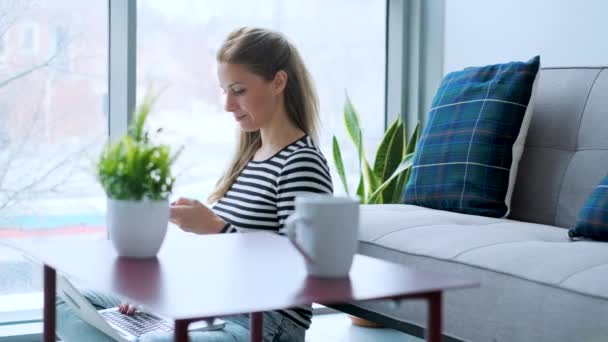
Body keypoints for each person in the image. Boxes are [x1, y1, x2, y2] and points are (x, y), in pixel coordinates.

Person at [56, 27, 333, 342]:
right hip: (214, 309)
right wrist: (161, 292)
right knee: (63, 301)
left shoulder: (301, 163)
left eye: (239, 90)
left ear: (279, 82)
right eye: (224, 90)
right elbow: (227, 265)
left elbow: (305, 272)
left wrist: (216, 228)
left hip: (263, 325)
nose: (228, 104)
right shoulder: (249, 158)